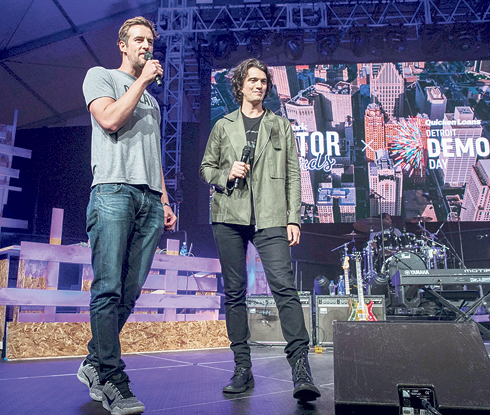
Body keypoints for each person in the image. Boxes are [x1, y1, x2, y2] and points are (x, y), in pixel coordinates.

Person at [199, 58, 321, 402]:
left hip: (270, 217)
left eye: (263, 81)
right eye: (252, 80)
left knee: (284, 288)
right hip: (228, 216)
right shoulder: (223, 125)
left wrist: (293, 217)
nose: (258, 85)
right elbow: (206, 168)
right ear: (240, 86)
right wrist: (226, 172)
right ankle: (242, 368)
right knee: (235, 293)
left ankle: (301, 368)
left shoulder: (280, 125)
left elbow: (295, 173)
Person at [76, 16, 176, 415]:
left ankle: (93, 363)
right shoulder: (99, 77)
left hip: (150, 200)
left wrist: (165, 201)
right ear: (122, 44)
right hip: (113, 192)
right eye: (138, 40)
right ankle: (113, 377)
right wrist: (142, 82)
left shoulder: (150, 100)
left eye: (150, 41)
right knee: (108, 288)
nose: (146, 46)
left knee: (131, 291)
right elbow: (111, 120)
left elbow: (152, 157)